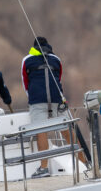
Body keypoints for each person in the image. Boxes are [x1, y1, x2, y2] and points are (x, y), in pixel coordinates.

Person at [21, 36, 85, 178]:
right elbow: (59, 78)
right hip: (57, 99)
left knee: (41, 131)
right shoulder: (56, 60)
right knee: (67, 130)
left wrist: (32, 97)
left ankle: (43, 168)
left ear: (34, 47)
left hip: (38, 100)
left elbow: (25, 82)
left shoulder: (27, 60)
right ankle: (83, 162)